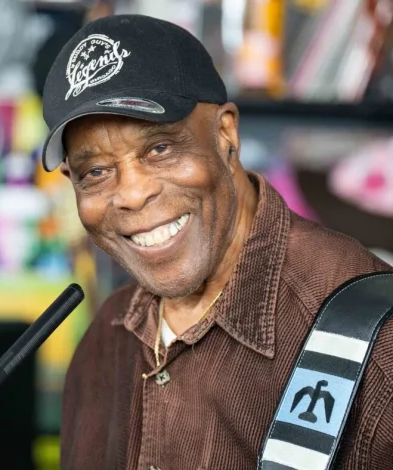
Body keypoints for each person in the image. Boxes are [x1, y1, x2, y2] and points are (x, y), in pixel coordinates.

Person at [39, 14, 393, 469]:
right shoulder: (105, 340)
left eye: (160, 149)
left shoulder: (376, 341)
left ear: (225, 133)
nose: (131, 194)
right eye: (96, 173)